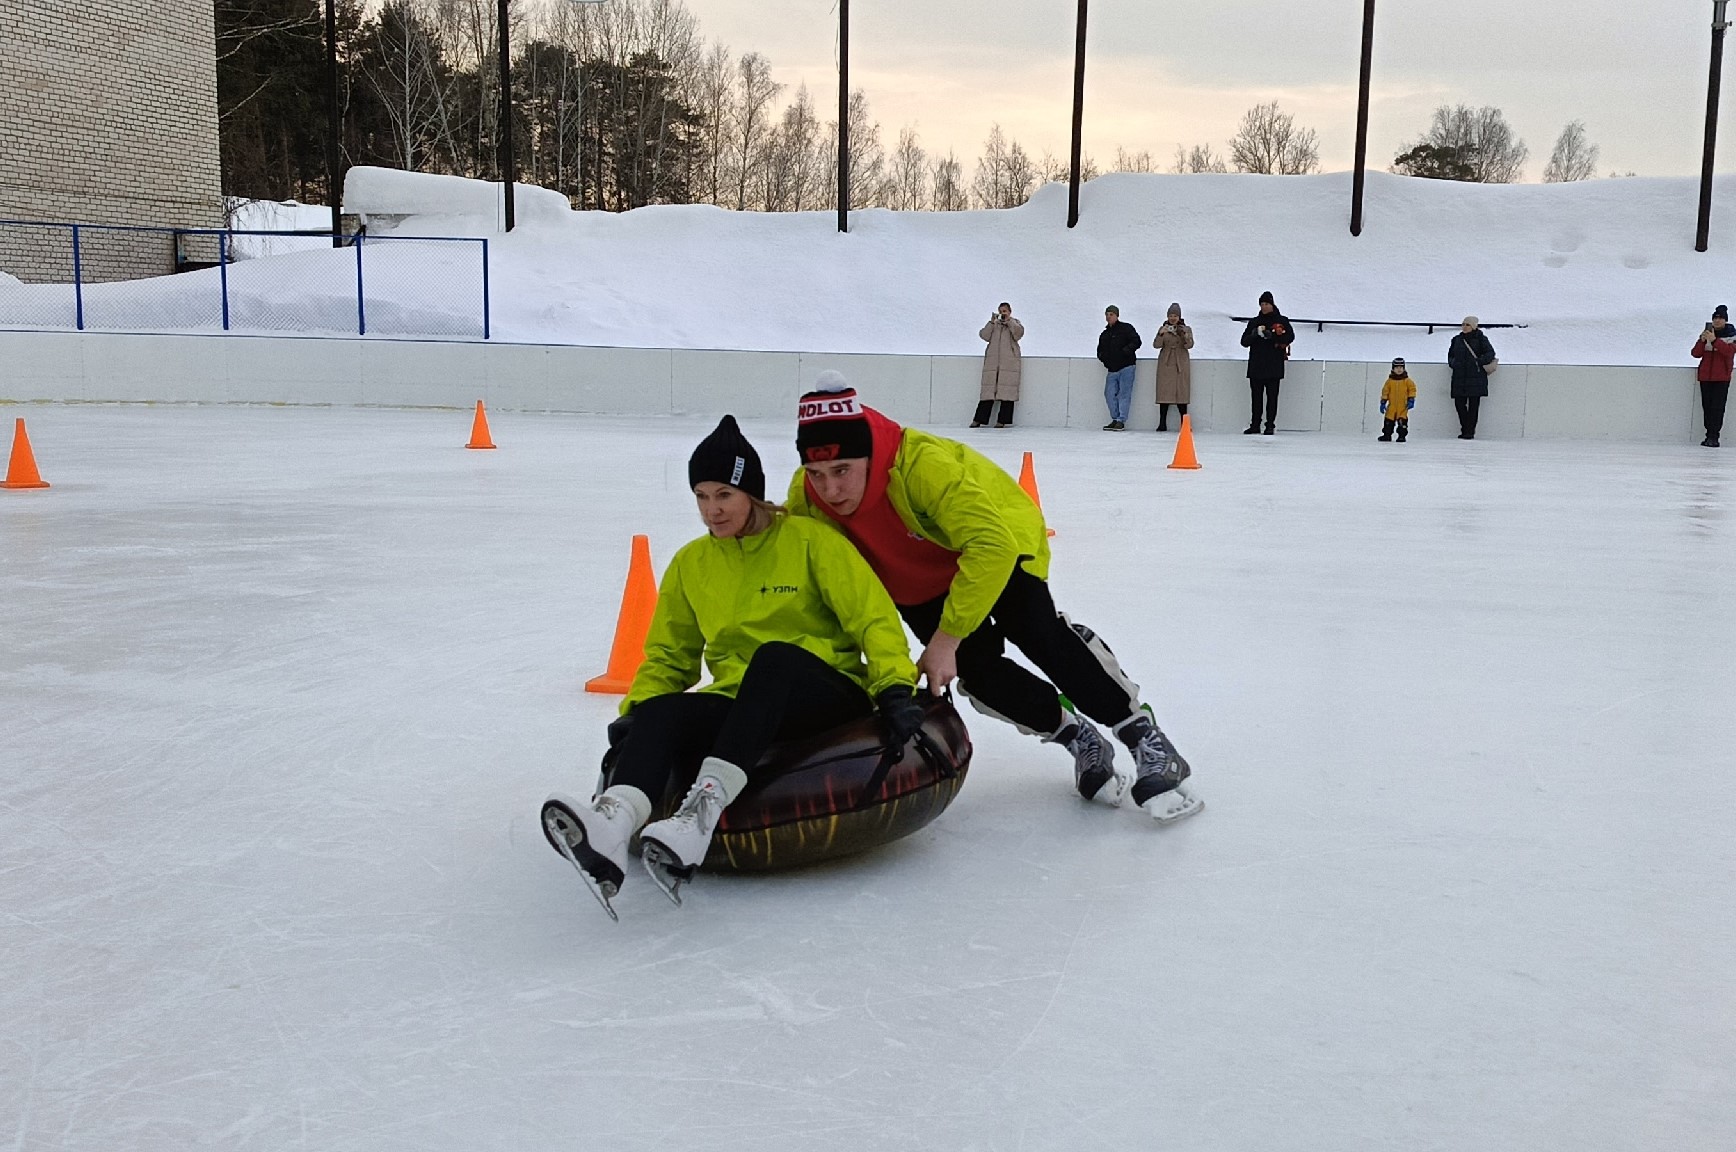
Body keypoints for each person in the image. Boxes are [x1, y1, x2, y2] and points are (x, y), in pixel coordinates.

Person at [542, 415, 923, 917]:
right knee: (662, 711)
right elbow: (669, 656)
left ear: (752, 494)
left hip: (826, 694)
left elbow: (874, 620)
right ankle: (613, 824)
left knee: (774, 659)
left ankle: (701, 816)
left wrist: (895, 686)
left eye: (724, 494)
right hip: (745, 700)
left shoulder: (811, 542)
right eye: (701, 496)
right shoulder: (692, 563)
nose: (711, 510)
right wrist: (636, 717)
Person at [786, 371, 1203, 824]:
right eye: (817, 473)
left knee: (1039, 635)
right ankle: (1076, 736)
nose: (830, 489)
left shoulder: (920, 465)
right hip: (919, 580)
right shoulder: (806, 499)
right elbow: (826, 584)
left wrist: (946, 639)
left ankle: (1146, 740)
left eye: (842, 470)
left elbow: (992, 545)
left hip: (997, 544)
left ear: (867, 453)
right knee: (976, 674)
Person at [1240, 291, 1293, 435]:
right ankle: (1255, 424)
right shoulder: (1254, 322)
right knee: (1256, 398)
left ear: (1272, 304)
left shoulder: (1282, 320)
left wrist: (1274, 336)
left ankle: (1270, 425)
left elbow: (1290, 337)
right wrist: (1254, 335)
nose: (1264, 307)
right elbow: (1244, 342)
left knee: (1272, 397)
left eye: (1266, 304)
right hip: (1256, 365)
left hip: (1273, 366)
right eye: (1262, 304)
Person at [1691, 304, 1733, 448]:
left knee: (1717, 408)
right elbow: (1695, 353)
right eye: (1715, 318)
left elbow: (1728, 352)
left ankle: (1714, 436)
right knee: (1707, 407)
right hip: (1706, 377)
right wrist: (1702, 341)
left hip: (1721, 378)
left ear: (1726, 320)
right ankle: (1708, 434)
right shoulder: (1707, 333)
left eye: (1720, 318)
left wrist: (1715, 340)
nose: (1717, 321)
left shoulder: (1732, 336)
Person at [1448, 316, 1497, 439]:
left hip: (1476, 377)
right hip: (1460, 377)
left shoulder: (1481, 339)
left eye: (1467, 324)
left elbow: (1490, 353)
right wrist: (1454, 364)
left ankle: (1469, 431)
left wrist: (1478, 362)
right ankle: (1465, 428)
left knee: (1473, 406)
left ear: (1474, 326)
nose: (1464, 327)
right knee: (1459, 404)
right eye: (1463, 324)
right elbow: (1450, 355)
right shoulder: (1456, 340)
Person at [975, 302, 1024, 428]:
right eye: (1001, 311)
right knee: (988, 392)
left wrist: (1009, 321)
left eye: (1005, 311)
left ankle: (1002, 420)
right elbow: (984, 336)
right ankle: (979, 419)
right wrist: (991, 322)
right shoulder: (994, 325)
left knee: (1007, 393)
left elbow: (1018, 334)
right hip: (993, 363)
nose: (1002, 313)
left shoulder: (1015, 323)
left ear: (1009, 311)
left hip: (1009, 364)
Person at [1096, 305, 1141, 431]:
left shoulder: (1126, 328)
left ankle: (1121, 420)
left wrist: (1126, 351)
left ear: (1117, 315)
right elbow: (1100, 350)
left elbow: (1136, 341)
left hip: (1126, 367)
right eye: (1107, 314)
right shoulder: (1104, 334)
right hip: (1112, 369)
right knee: (1109, 394)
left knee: (1124, 394)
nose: (1108, 317)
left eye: (1111, 314)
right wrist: (1105, 360)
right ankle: (1115, 418)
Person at [1153, 303, 1193, 432]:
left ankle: (1184, 423)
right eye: (1171, 315)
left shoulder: (1186, 329)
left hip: (1180, 363)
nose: (1173, 318)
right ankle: (1162, 423)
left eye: (1175, 315)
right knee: (1164, 393)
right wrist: (1161, 334)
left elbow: (1190, 345)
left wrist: (1184, 335)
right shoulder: (1163, 328)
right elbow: (1156, 345)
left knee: (1182, 393)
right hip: (1166, 363)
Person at [1378, 357, 1415, 442]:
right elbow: (1385, 391)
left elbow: (1412, 389)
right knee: (1388, 422)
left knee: (1402, 423)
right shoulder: (1389, 381)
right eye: (1397, 368)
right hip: (1392, 407)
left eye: (1401, 368)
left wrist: (1411, 399)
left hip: (1403, 407)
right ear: (1393, 369)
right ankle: (1387, 435)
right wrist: (1383, 401)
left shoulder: (1407, 381)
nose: (1399, 369)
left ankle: (1402, 436)